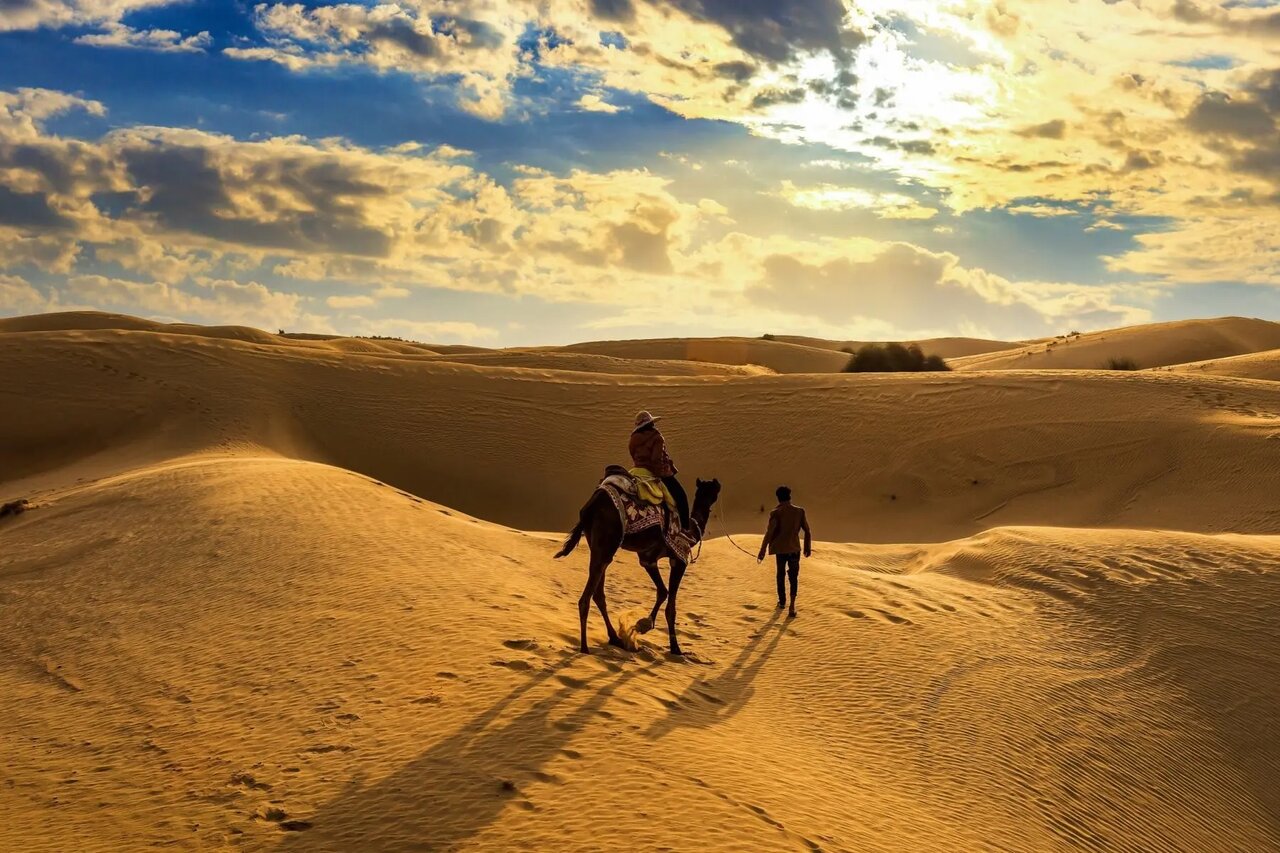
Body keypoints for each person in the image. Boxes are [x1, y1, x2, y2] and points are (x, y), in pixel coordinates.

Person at [628, 410, 691, 532]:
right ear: (650, 424)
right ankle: (685, 529)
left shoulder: (633, 439)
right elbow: (657, 459)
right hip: (655, 472)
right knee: (681, 496)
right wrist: (659, 475)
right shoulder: (656, 437)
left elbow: (633, 455)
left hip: (637, 471)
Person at [757, 485, 812, 617]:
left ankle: (782, 602)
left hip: (780, 550)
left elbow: (769, 533)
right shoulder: (800, 511)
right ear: (789, 496)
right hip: (794, 549)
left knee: (780, 575)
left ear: (778, 498)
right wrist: (807, 548)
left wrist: (762, 550)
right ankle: (792, 605)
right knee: (793, 577)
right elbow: (807, 531)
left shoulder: (775, 513)